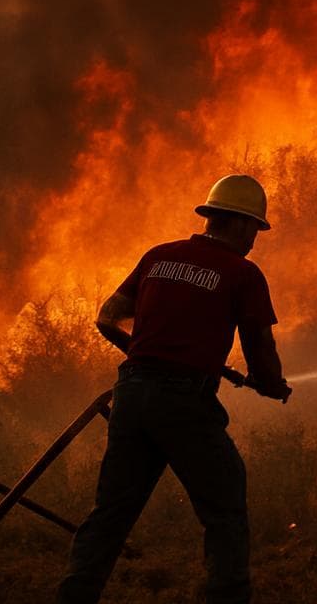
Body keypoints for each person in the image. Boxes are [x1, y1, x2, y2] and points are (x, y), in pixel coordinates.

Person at [58, 174, 292, 604]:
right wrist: (271, 384)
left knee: (110, 514)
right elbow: (261, 344)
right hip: (183, 403)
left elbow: (106, 316)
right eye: (255, 231)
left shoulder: (158, 257)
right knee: (225, 507)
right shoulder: (242, 273)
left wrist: (147, 355)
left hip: (131, 394)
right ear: (240, 225)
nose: (254, 241)